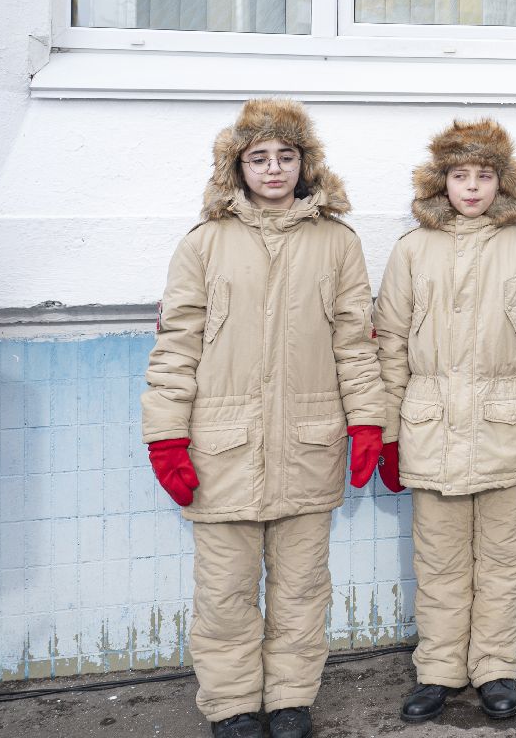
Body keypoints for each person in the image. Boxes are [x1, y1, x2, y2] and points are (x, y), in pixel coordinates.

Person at [142, 98, 385, 738]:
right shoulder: (204, 243)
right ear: (238, 167)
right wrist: (165, 435)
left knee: (302, 590)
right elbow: (175, 347)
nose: (273, 169)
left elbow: (356, 344)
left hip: (309, 445)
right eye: (259, 158)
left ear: (305, 165)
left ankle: (290, 700)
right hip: (223, 451)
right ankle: (231, 705)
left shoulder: (337, 242)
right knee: (224, 592)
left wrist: (368, 422)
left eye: (286, 156)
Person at [374, 119, 516, 725]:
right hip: (431, 431)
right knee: (436, 561)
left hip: (505, 431)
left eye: (483, 175)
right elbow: (388, 347)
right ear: (441, 183)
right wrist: (387, 433)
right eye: (460, 175)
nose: (471, 187)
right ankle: (438, 670)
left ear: (501, 182)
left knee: (501, 558)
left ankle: (494, 668)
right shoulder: (412, 250)